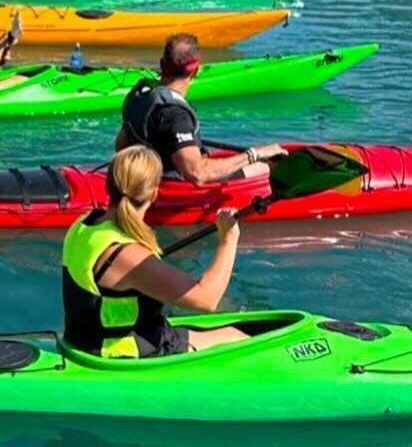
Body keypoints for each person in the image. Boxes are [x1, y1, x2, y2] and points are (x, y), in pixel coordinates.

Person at [61, 146, 248, 360]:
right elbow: (207, 300)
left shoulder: (84, 225)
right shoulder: (127, 255)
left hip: (82, 342)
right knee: (239, 338)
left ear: (108, 184)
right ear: (155, 193)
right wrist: (228, 240)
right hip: (121, 355)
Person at [117, 34, 285, 185]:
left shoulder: (140, 96)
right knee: (262, 169)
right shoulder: (175, 114)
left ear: (162, 64)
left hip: (143, 179)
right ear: (196, 70)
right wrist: (254, 154)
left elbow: (121, 145)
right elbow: (197, 174)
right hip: (170, 190)